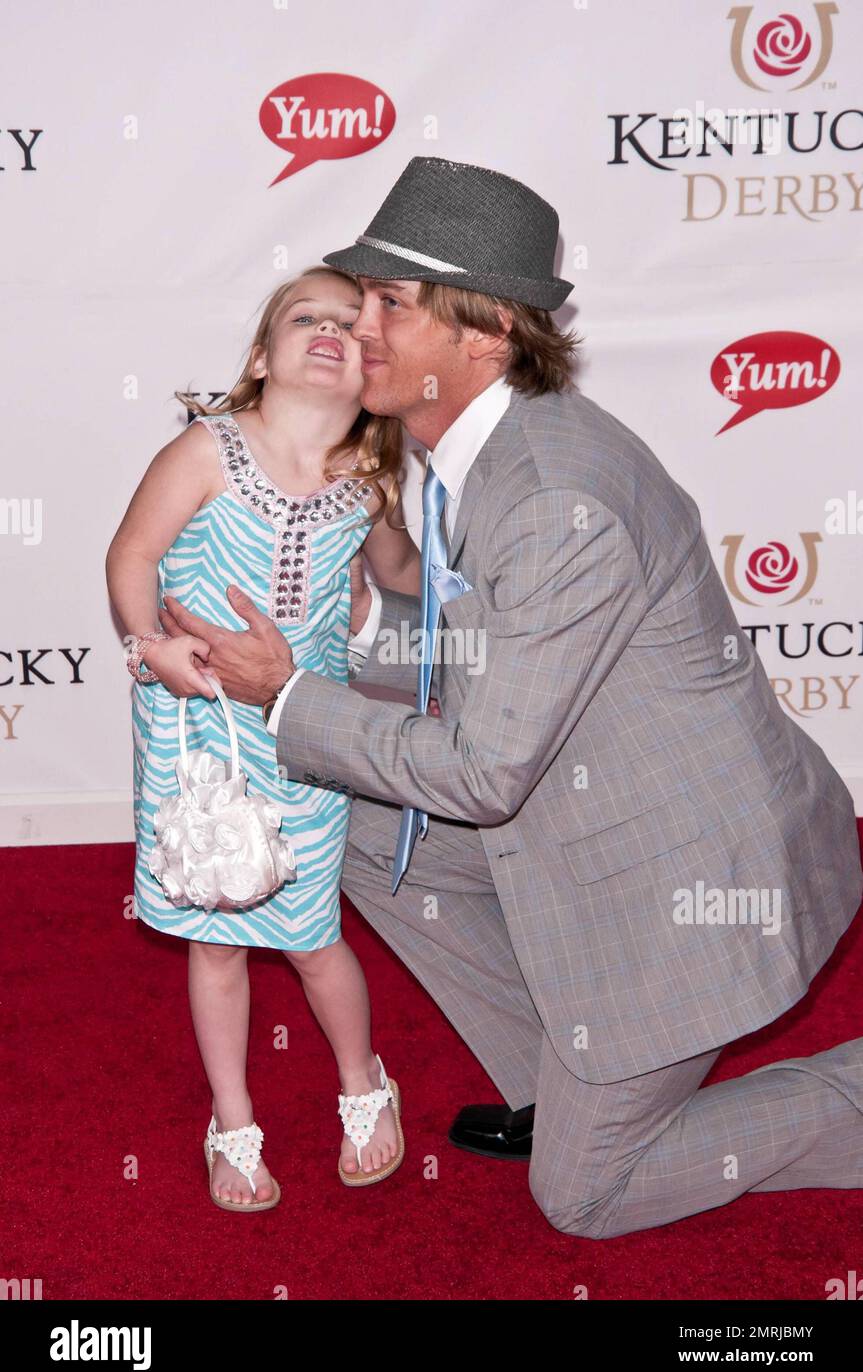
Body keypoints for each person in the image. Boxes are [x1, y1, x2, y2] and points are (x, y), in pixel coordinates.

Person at [159, 157, 863, 1238]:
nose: (358, 326)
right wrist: (334, 642)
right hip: (592, 801)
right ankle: (565, 1077)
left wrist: (287, 690)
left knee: (582, 1196)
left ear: (484, 329)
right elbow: (473, 655)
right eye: (360, 298)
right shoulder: (482, 448)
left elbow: (483, 772)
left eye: (391, 303)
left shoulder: (545, 492)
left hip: (693, 890)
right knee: (332, 818)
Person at [106, 265, 421, 1208]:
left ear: (369, 364)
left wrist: (399, 562)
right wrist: (148, 644)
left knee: (312, 932)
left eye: (345, 323)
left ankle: (363, 1083)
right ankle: (232, 1120)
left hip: (301, 728)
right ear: (261, 353)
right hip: (194, 729)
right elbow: (132, 554)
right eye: (303, 317)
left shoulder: (368, 479)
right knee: (217, 937)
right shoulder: (207, 449)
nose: (326, 330)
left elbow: (404, 572)